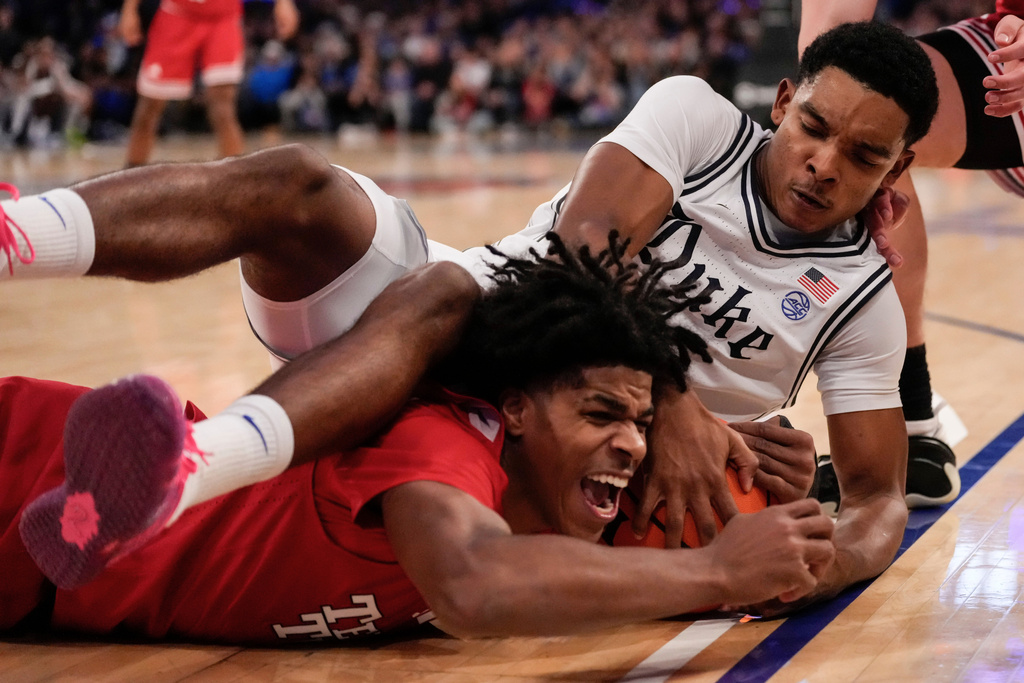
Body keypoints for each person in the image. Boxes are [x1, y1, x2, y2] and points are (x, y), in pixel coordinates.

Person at [0, 20, 936, 614]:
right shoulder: (697, 117)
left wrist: (825, 562)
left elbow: (879, 496)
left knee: (444, 319)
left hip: (563, 443)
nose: (823, 164)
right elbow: (582, 242)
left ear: (896, 172)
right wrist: (678, 399)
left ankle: (187, 469)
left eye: (862, 156)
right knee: (299, 188)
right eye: (813, 127)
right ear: (783, 101)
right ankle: (20, 237)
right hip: (482, 326)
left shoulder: (861, 301)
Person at [1, 237, 837, 643]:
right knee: (299, 197)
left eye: (641, 423)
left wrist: (786, 481)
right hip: (23, 471)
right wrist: (718, 568)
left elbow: (760, 545)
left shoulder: (563, 506)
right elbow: (475, 583)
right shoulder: (438, 445)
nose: (628, 443)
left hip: (49, 589)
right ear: (512, 410)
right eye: (600, 415)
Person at [798, 1, 1024, 510]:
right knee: (873, 104)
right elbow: (828, 40)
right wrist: (866, 173)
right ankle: (912, 426)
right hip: (1010, 53)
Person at [118, 0, 299, 167]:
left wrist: (283, 3)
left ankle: (235, 181)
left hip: (223, 16)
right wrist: (130, 9)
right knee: (149, 107)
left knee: (223, 109)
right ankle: (130, 178)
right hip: (177, 13)